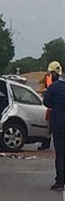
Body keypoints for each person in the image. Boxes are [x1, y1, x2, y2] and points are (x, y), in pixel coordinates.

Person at [43, 61, 65, 191]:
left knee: (60, 152)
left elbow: (47, 103)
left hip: (58, 123)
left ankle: (60, 181)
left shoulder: (53, 87)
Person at [39, 61, 62, 150]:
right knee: (48, 127)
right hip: (52, 108)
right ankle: (45, 143)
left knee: (49, 127)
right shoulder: (48, 79)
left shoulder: (54, 83)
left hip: (54, 110)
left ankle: (46, 143)